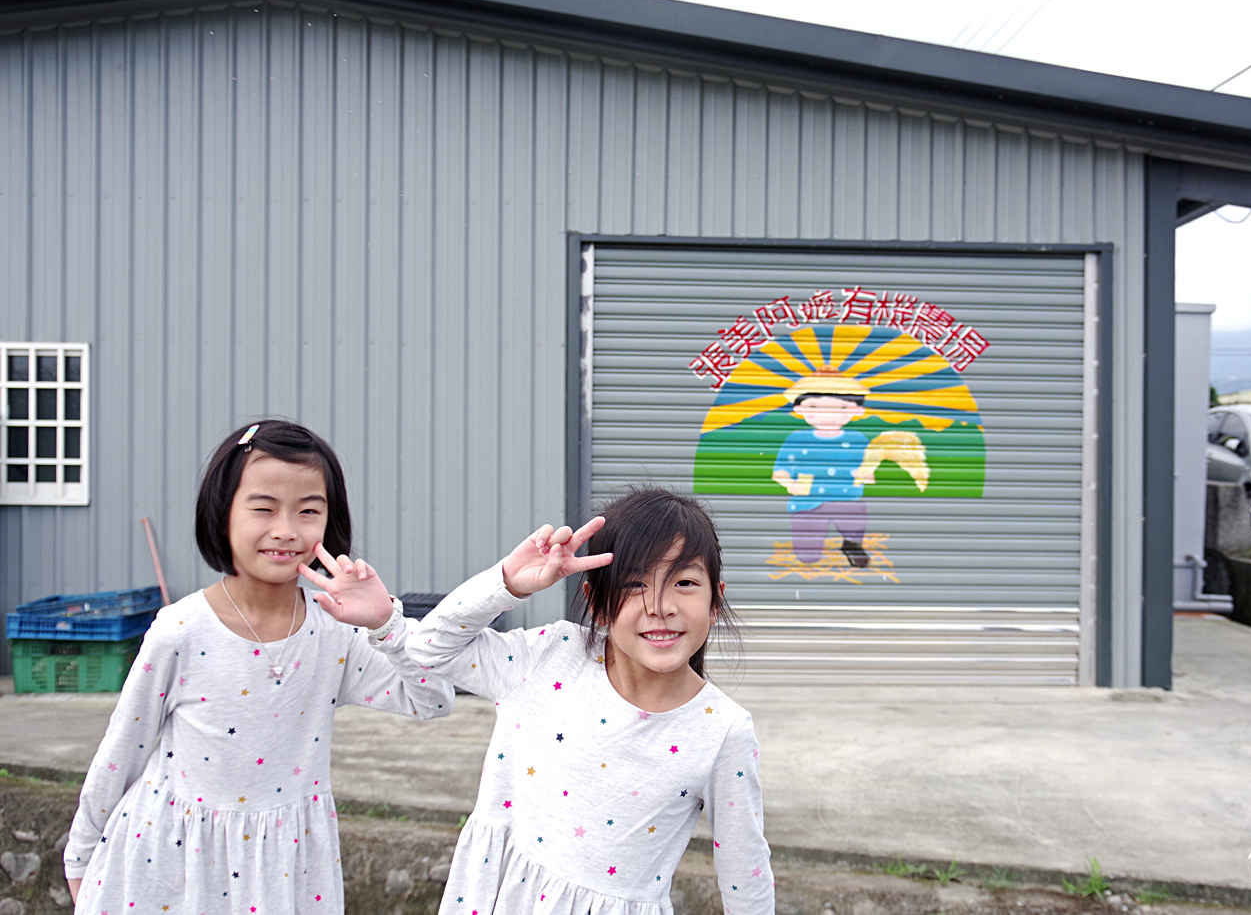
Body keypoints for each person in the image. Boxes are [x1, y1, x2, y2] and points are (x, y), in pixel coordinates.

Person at [64, 419, 455, 914]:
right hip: (168, 864)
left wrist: (386, 625)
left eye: (308, 511)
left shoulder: (336, 632)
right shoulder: (180, 631)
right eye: (263, 508)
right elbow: (122, 750)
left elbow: (434, 700)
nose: (285, 530)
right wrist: (80, 857)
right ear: (222, 514)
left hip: (286, 870)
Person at [407, 486, 774, 915]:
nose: (661, 606)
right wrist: (508, 581)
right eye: (635, 583)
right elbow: (428, 647)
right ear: (597, 604)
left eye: (685, 582)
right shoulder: (549, 656)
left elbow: (744, 871)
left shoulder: (722, 730)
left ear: (715, 601)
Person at [771, 369, 875, 567]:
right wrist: (789, 484)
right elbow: (780, 471)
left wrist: (865, 474)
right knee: (807, 557)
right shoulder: (796, 439)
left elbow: (866, 466)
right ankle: (809, 550)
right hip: (807, 503)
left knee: (855, 519)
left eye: (841, 408)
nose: (828, 416)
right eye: (815, 407)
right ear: (799, 409)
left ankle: (851, 544)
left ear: (857, 411)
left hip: (847, 499)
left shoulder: (857, 440)